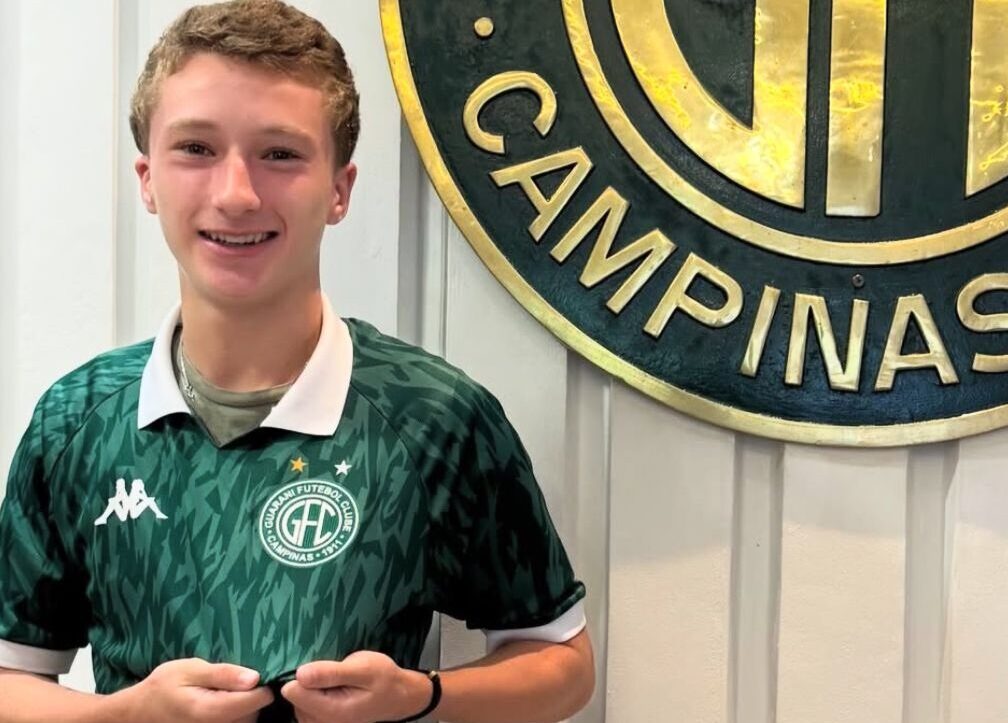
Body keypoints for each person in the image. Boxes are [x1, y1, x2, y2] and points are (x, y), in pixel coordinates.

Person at [0, 1, 594, 721]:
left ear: (339, 190)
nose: (236, 194)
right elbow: (10, 677)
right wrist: (126, 714)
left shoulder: (436, 417)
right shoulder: (76, 420)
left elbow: (563, 664)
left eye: (280, 154)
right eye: (196, 148)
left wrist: (421, 698)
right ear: (148, 178)